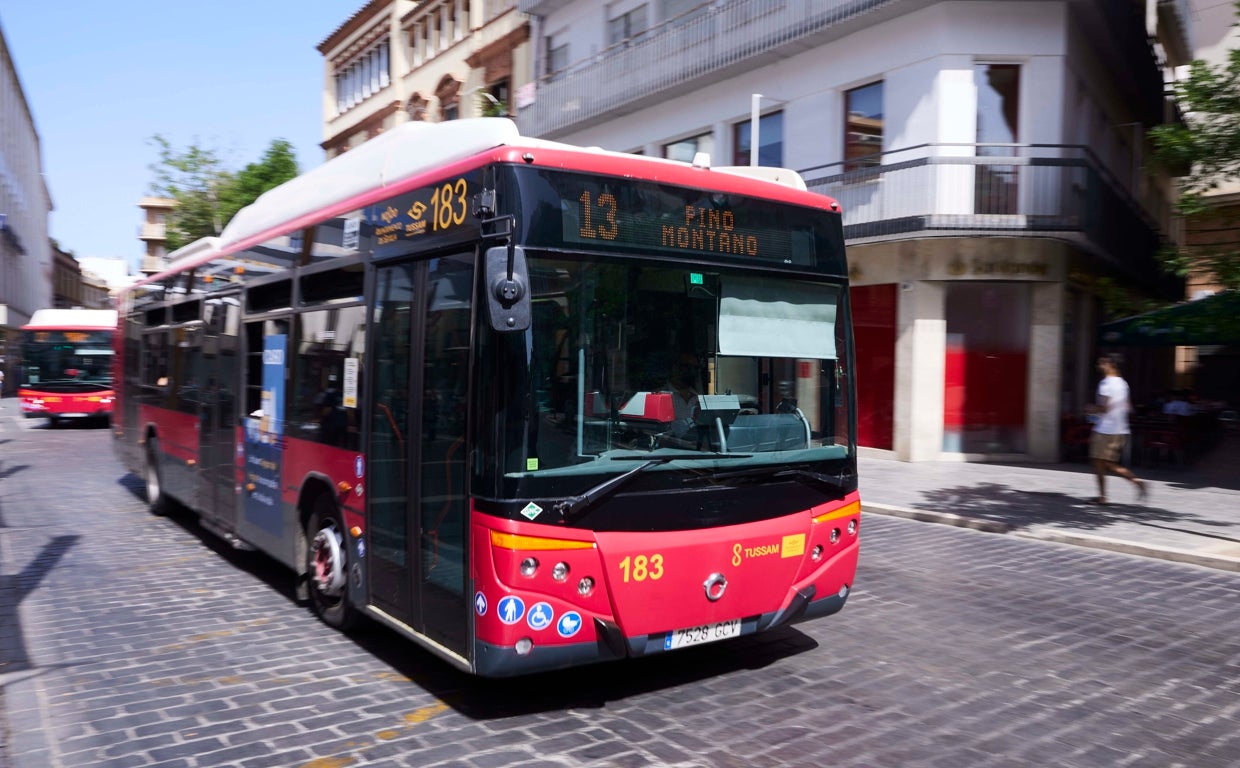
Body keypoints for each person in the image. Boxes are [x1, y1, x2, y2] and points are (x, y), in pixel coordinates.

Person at [1087, 354, 1147, 505]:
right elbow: (1128, 406)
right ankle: (1104, 496)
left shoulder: (1106, 383)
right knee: (1103, 463)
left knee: (1103, 463)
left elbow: (1104, 408)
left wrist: (1090, 409)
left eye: (1102, 363)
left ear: (1110, 365)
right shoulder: (1123, 384)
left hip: (1105, 429)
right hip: (1120, 429)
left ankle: (1134, 482)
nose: (1099, 366)